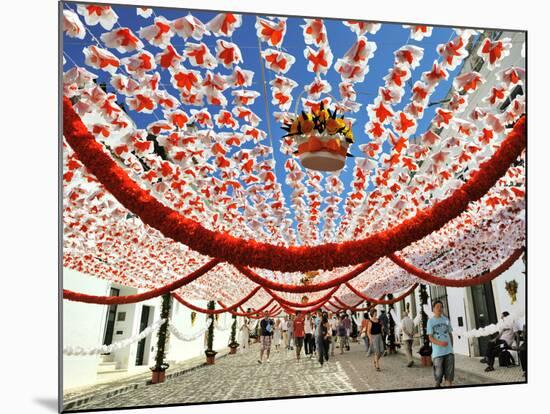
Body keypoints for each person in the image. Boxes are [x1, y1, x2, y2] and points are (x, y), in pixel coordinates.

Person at [427, 300, 454, 387]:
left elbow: (450, 333)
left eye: (441, 307)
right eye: (437, 307)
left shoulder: (446, 320)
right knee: (438, 375)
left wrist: (451, 347)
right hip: (438, 353)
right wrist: (440, 343)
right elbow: (430, 337)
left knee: (449, 376)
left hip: (449, 352)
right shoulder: (430, 321)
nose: (439, 308)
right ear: (433, 309)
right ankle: (438, 384)